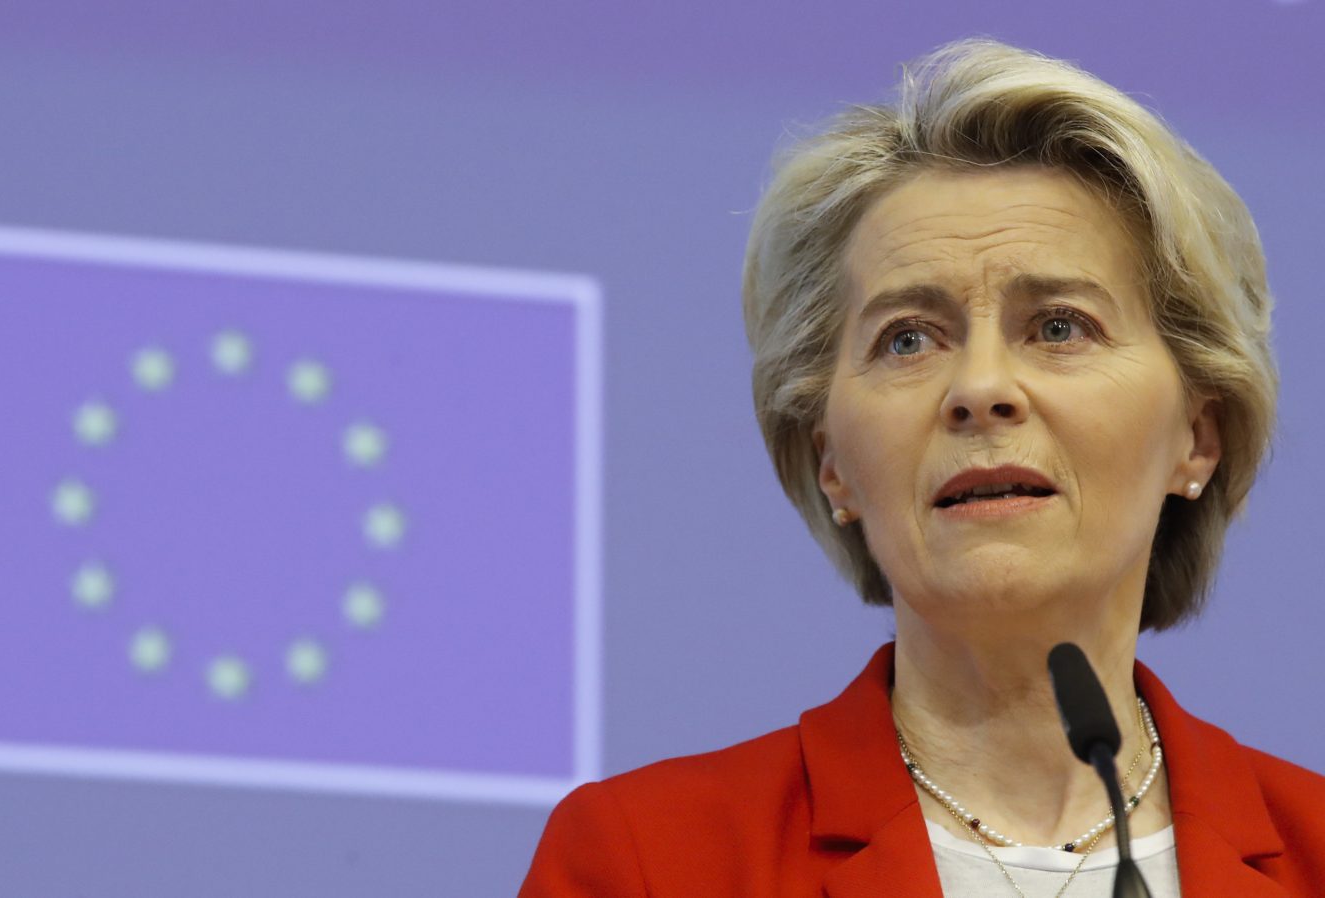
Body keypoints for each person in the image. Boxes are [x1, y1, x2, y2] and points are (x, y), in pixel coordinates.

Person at [518, 37, 1325, 897]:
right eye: (907, 339)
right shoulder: (650, 859)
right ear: (831, 461)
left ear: (1197, 437)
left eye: (1059, 327)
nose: (980, 389)